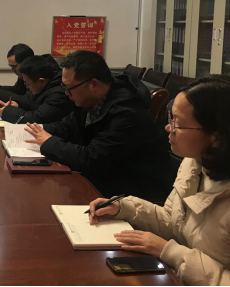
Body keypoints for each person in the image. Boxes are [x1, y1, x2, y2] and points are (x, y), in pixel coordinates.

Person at [88, 75, 230, 286]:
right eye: (171, 120)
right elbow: (173, 221)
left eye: (178, 124)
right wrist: (124, 207)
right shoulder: (195, 163)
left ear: (216, 137)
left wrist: (169, 251)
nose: (168, 128)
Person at [24, 50, 173, 201]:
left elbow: (91, 159)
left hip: (134, 196)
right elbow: (66, 126)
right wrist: (32, 131)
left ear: (94, 84)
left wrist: (49, 142)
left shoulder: (127, 113)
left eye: (68, 88)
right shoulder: (89, 100)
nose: (66, 94)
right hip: (104, 184)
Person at [0, 56, 73, 124]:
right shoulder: (41, 85)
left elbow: (37, 118)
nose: (26, 87)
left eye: (27, 83)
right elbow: (29, 100)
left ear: (41, 81)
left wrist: (8, 112)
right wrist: (17, 104)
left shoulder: (59, 94)